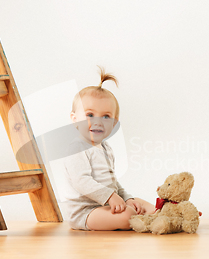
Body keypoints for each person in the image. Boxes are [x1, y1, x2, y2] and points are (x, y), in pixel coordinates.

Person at [61, 67, 155, 231]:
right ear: (74, 119)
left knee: (141, 204)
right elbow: (81, 181)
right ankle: (147, 221)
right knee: (128, 216)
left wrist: (126, 198)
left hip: (107, 204)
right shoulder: (77, 147)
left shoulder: (105, 148)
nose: (98, 121)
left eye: (106, 116)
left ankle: (169, 216)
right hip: (86, 213)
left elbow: (113, 182)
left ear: (114, 123)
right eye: (90, 115)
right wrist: (110, 197)